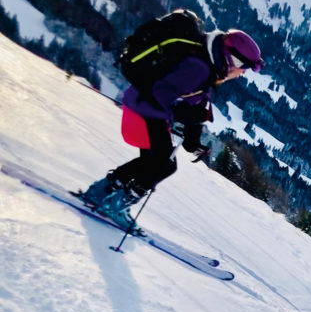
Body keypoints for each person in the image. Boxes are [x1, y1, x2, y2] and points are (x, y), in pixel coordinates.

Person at [81, 25, 264, 229]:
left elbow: (197, 104)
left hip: (146, 108)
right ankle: (118, 203)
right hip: (145, 109)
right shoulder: (201, 67)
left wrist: (193, 141)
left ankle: (101, 191)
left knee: (153, 161)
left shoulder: (208, 65)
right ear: (233, 59)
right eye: (243, 68)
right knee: (164, 163)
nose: (241, 74)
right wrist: (183, 114)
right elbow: (162, 93)